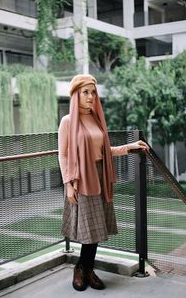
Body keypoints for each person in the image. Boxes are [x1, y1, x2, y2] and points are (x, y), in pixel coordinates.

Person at [58, 74, 149, 291]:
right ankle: (81, 268)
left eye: (93, 92)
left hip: (100, 175)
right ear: (76, 94)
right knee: (88, 228)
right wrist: (68, 183)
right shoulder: (68, 121)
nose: (91, 97)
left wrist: (128, 147)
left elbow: (103, 151)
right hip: (81, 178)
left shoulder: (96, 118)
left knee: (97, 228)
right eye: (86, 92)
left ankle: (86, 268)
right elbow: (63, 155)